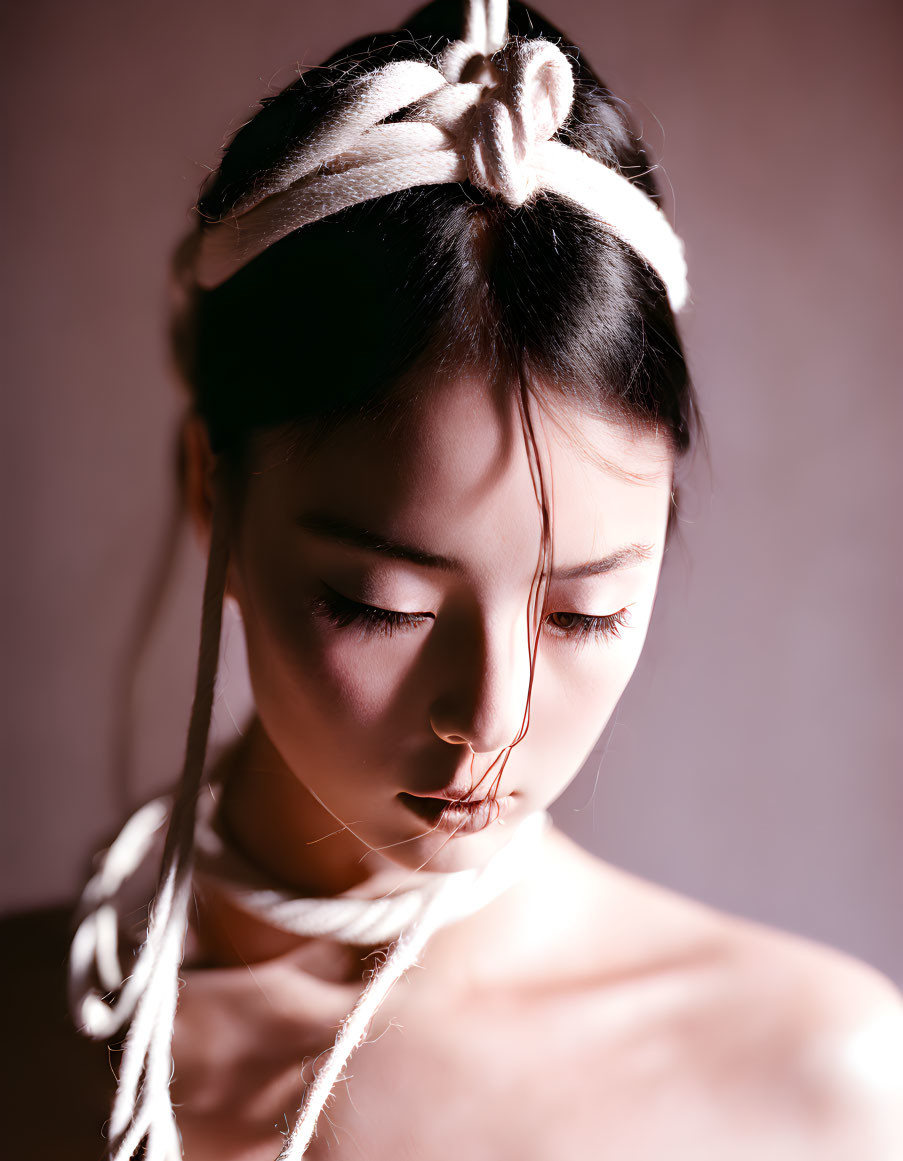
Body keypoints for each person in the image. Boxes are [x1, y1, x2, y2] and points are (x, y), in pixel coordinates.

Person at [57, 0, 903, 1158]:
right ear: (216, 493)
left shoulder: (822, 1091)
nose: (489, 718)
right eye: (383, 605)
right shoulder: (40, 1033)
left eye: (586, 611)